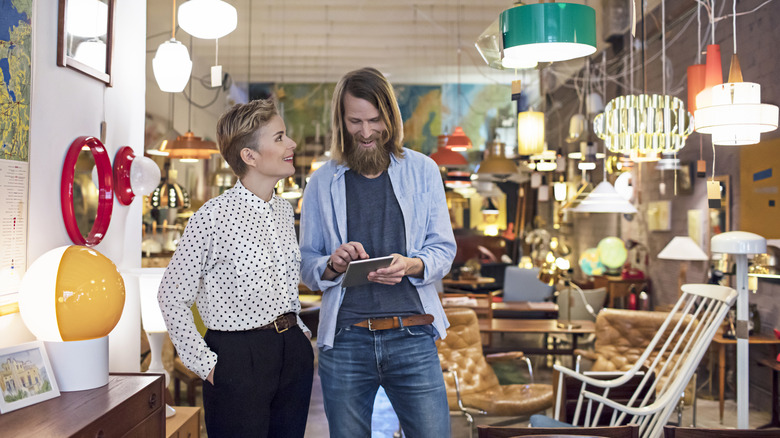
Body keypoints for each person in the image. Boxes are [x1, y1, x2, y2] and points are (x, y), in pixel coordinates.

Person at [299, 67, 456, 437]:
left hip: (414, 337)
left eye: (374, 120)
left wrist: (413, 264)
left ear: (390, 117)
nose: (366, 132)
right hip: (346, 340)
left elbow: (443, 250)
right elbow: (305, 264)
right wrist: (332, 264)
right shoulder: (321, 182)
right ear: (341, 120)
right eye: (355, 121)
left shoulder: (424, 171)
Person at [158, 99, 314, 438]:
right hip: (237, 359)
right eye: (279, 137)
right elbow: (171, 297)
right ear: (250, 156)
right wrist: (207, 366)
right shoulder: (212, 217)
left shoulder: (284, 212)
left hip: (292, 354)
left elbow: (286, 286)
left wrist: (300, 332)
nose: (292, 145)